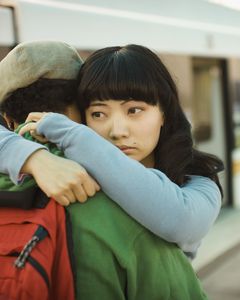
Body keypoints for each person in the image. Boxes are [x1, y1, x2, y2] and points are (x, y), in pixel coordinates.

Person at [0, 41, 209, 299]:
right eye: (99, 113)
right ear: (79, 110)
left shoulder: (196, 181)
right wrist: (35, 158)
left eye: (134, 110)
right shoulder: (122, 215)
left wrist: (48, 147)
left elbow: (181, 218)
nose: (118, 131)